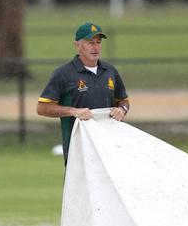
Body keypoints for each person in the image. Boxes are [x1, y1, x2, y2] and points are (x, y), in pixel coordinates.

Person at [37, 22, 130, 164]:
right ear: (77, 45)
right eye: (90, 43)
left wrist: (122, 110)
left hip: (109, 149)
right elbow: (42, 108)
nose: (95, 47)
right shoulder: (64, 74)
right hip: (78, 150)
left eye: (98, 42)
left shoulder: (110, 71)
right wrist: (73, 111)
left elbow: (123, 101)